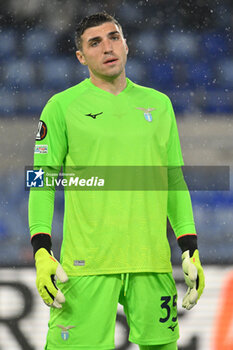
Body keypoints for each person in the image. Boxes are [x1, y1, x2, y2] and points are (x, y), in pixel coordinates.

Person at [28, 12, 205, 350]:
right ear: (81, 57)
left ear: (127, 45)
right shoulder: (61, 107)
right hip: (86, 266)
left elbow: (174, 181)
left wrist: (190, 248)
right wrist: (41, 251)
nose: (107, 47)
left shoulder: (159, 105)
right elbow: (41, 181)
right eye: (95, 42)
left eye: (113, 37)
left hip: (151, 263)